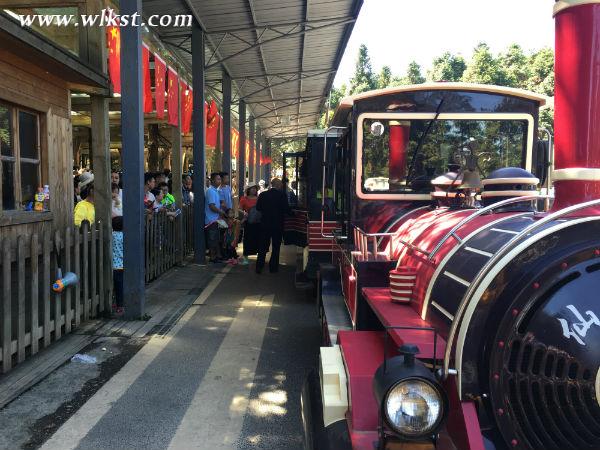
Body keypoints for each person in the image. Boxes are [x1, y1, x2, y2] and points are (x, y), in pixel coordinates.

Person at [255, 178, 292, 273]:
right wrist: (293, 214)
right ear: (279, 185)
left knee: (262, 245)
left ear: (271, 184)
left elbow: (258, 208)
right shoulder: (282, 195)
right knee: (276, 246)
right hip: (277, 224)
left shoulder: (263, 194)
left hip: (264, 223)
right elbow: (286, 209)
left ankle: (259, 267)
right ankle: (273, 267)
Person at [205, 172, 226, 262]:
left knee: (216, 239)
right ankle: (213, 257)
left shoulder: (215, 191)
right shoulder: (210, 191)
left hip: (215, 219)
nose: (220, 181)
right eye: (218, 179)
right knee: (212, 239)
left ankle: (216, 256)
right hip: (211, 220)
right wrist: (220, 211)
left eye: (220, 179)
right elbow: (211, 206)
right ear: (212, 180)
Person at [239, 185, 260, 265]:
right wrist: (244, 212)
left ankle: (258, 257)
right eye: (252, 188)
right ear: (248, 190)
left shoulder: (259, 198)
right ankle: (245, 258)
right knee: (247, 239)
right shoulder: (244, 198)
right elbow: (239, 208)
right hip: (248, 222)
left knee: (257, 239)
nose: (254, 190)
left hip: (258, 222)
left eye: (255, 188)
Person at [112, 215, 124, 315]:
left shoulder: (112, 235)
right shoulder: (125, 236)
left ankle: (117, 303)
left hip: (114, 265)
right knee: (121, 286)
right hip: (123, 264)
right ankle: (121, 305)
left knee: (116, 286)